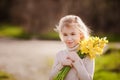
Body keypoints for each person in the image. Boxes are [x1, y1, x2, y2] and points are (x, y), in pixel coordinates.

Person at [49, 15, 95, 80]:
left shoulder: (87, 55)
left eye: (73, 34)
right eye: (65, 35)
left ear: (81, 35)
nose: (69, 38)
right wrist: (61, 65)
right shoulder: (59, 55)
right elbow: (51, 78)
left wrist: (77, 61)